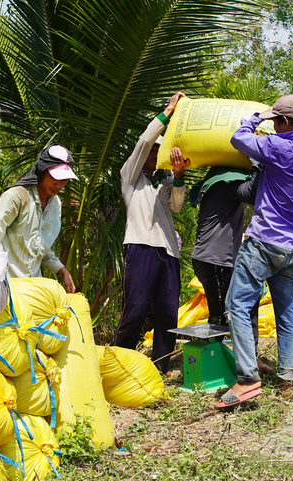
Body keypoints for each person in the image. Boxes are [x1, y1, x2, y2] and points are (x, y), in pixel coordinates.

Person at [215, 94, 293, 409]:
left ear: (281, 122)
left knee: (237, 306)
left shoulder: (278, 147)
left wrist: (256, 118)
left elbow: (239, 138)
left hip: (264, 243)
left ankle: (248, 379)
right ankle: (287, 379)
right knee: (287, 314)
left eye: (276, 120)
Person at [112, 91, 190, 376]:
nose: (154, 154)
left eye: (160, 151)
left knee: (168, 312)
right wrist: (167, 112)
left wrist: (178, 176)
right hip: (141, 246)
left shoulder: (166, 178)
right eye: (152, 152)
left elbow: (177, 206)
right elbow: (144, 141)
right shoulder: (131, 177)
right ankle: (119, 362)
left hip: (168, 250)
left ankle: (160, 367)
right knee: (135, 308)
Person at [189, 163, 271, 374]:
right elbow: (253, 193)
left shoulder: (218, 182)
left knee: (244, 305)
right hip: (214, 260)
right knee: (220, 315)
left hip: (220, 260)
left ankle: (249, 359)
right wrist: (257, 163)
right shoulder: (224, 184)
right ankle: (211, 365)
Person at [0, 144, 77, 293]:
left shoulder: (55, 204)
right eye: (54, 177)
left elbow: (40, 248)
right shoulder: (17, 197)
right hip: (6, 286)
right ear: (41, 171)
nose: (59, 184)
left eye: (64, 179)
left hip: (32, 288)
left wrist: (62, 270)